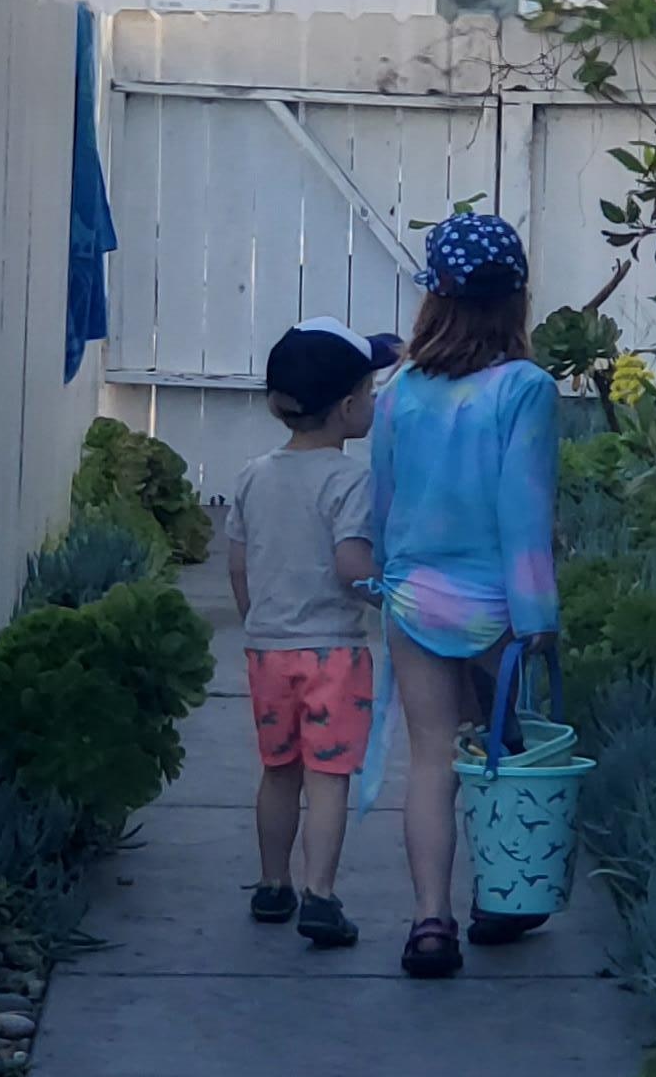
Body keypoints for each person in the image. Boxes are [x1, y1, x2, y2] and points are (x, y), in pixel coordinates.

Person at [370, 213, 560, 980]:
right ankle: (502, 894)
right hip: (496, 605)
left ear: (434, 299)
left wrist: (385, 576)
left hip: (415, 596)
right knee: (501, 753)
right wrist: (538, 616)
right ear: (516, 299)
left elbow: (382, 500)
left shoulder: (401, 391)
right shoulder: (526, 389)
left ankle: (430, 922)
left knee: (430, 760)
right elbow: (524, 513)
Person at [226, 320, 393, 949]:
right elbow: (352, 566)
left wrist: (256, 618)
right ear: (348, 407)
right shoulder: (350, 481)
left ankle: (272, 885)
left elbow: (238, 562)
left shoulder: (252, 475)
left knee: (278, 770)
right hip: (333, 655)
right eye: (370, 392)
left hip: (267, 650)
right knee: (328, 775)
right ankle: (319, 895)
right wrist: (390, 593)